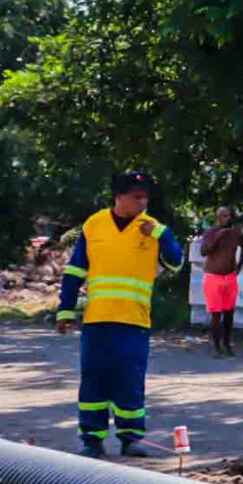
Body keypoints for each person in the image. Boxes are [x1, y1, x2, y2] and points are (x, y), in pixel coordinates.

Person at [56, 170, 185, 457]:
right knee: (94, 380)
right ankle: (92, 439)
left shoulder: (152, 228)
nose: (142, 203)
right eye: (136, 197)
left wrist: (163, 235)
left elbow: (176, 263)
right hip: (97, 320)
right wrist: (65, 309)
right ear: (119, 197)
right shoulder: (95, 225)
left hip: (134, 321)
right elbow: (76, 270)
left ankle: (130, 438)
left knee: (129, 380)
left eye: (145, 197)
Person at [199, 206, 243, 357]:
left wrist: (239, 267)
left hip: (230, 277)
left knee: (229, 313)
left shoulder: (235, 233)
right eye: (222, 216)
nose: (225, 218)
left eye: (227, 216)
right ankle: (216, 346)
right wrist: (218, 237)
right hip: (213, 277)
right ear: (217, 217)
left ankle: (227, 343)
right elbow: (204, 251)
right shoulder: (210, 232)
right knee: (216, 314)